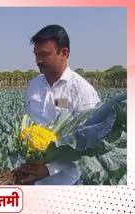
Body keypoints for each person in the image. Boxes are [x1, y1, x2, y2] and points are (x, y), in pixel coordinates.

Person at [20, 24, 101, 185]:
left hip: (64, 183)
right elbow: (27, 125)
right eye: (36, 55)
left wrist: (49, 169)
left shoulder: (82, 91)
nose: (38, 60)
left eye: (44, 54)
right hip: (30, 179)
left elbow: (88, 145)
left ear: (64, 53)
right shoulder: (34, 85)